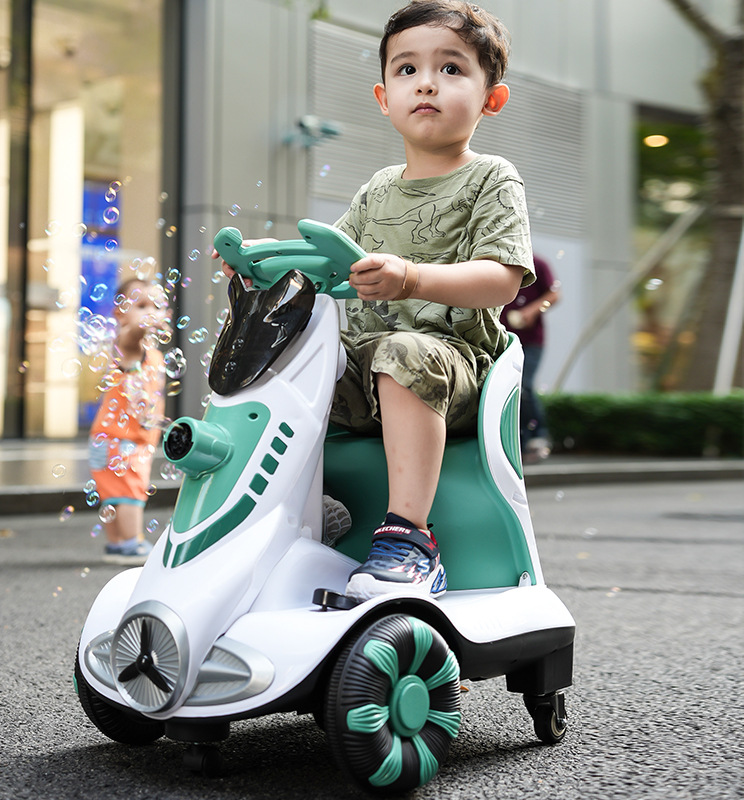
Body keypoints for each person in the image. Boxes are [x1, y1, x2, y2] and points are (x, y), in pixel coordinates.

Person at [214, 0, 534, 601]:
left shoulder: (492, 177)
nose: (428, 83)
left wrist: (411, 278)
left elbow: (502, 279)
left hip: (450, 366)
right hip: (365, 367)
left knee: (404, 351)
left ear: (492, 97)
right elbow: (328, 260)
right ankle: (295, 517)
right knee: (283, 371)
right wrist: (264, 261)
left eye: (452, 69)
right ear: (384, 97)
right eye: (407, 69)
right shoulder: (375, 190)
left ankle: (411, 540)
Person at [88, 278, 169, 565]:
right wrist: (141, 324)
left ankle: (116, 543)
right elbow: (133, 334)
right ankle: (132, 542)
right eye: (141, 306)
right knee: (131, 492)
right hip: (123, 440)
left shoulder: (153, 354)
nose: (151, 312)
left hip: (110, 437)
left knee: (113, 494)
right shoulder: (128, 346)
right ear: (120, 313)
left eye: (158, 306)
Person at [500, 254, 561, 463]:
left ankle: (538, 436)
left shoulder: (538, 264)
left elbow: (554, 295)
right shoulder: (497, 262)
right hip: (500, 340)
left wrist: (531, 311)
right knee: (505, 388)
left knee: (523, 385)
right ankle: (518, 441)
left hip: (530, 341)